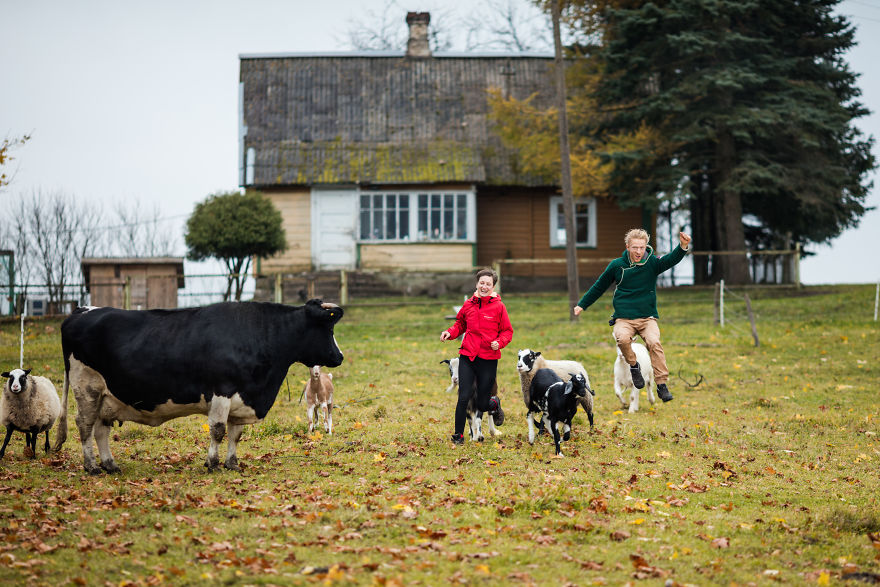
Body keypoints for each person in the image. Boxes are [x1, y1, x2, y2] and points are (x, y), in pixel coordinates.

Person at [573, 229, 692, 403]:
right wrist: (582, 304)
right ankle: (634, 366)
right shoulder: (617, 266)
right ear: (628, 246)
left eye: (642, 248)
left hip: (647, 318)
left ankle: (661, 384)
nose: (638, 251)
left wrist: (683, 246)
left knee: (654, 342)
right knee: (621, 338)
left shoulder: (652, 263)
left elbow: (670, 259)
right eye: (635, 247)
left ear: (646, 247)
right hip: (624, 318)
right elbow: (599, 286)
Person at [440, 268, 513, 445]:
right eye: (482, 283)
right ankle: (458, 436)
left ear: (493, 286)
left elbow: (507, 331)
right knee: (463, 397)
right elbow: (460, 324)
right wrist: (450, 333)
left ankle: (494, 404)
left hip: (488, 359)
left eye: (488, 284)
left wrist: (499, 342)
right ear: (477, 284)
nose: (484, 286)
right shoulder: (469, 305)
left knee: (481, 403)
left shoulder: (499, 307)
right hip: (468, 356)